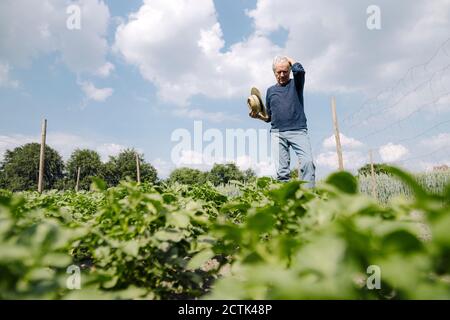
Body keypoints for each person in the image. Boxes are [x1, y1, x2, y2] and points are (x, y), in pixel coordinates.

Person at [249, 56, 316, 188]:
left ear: (290, 70)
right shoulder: (270, 91)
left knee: (308, 162)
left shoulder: (296, 84)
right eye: (279, 72)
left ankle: (308, 198)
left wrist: (288, 59)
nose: (282, 74)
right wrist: (258, 117)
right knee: (282, 172)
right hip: (277, 133)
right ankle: (285, 204)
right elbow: (269, 117)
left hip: (298, 130)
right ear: (274, 73)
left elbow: (300, 71)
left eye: (285, 71)